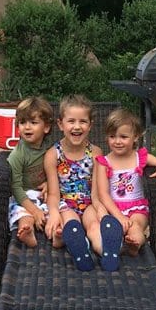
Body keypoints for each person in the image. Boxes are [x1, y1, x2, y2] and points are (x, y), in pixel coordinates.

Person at [95, 108, 156, 260]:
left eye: (123, 137)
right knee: (109, 228)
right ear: (107, 137)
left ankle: (135, 244)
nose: (117, 141)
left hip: (136, 208)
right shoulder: (104, 162)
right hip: (113, 208)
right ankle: (115, 245)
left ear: (135, 136)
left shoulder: (141, 157)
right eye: (112, 136)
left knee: (136, 226)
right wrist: (119, 216)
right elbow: (103, 194)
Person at [44, 94, 108, 271]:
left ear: (90, 125)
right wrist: (54, 212)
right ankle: (78, 246)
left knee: (94, 225)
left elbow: (96, 192)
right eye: (71, 121)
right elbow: (54, 193)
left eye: (83, 121)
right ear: (60, 124)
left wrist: (101, 210)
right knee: (71, 224)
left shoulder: (96, 153)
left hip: (88, 203)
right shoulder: (53, 155)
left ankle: (107, 250)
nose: (77, 126)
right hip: (66, 204)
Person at [7, 97, 54, 247]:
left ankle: (57, 233)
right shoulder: (18, 155)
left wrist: (49, 183)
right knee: (22, 214)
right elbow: (16, 188)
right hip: (24, 196)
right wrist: (34, 211)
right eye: (22, 122)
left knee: (58, 210)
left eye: (33, 123)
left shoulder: (50, 149)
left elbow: (59, 169)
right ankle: (27, 231)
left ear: (46, 127)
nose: (27, 127)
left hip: (45, 194)